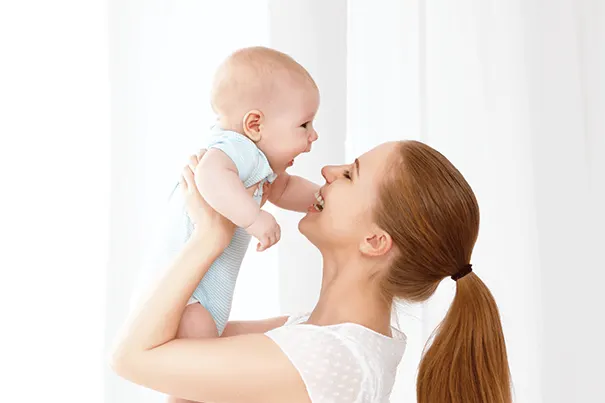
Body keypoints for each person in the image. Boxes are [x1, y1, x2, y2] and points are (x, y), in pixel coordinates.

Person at [111, 140, 512, 403]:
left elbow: (133, 357)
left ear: (375, 241)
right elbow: (171, 341)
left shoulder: (325, 358)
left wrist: (209, 238)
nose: (328, 172)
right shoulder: (319, 336)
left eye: (351, 174)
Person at [147, 46, 320, 341]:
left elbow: (285, 188)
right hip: (189, 295)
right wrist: (253, 218)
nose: (313, 135)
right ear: (255, 125)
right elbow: (209, 175)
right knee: (199, 362)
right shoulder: (236, 148)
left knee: (194, 373)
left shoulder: (257, 163)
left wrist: (320, 199)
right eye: (304, 124)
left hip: (198, 291)